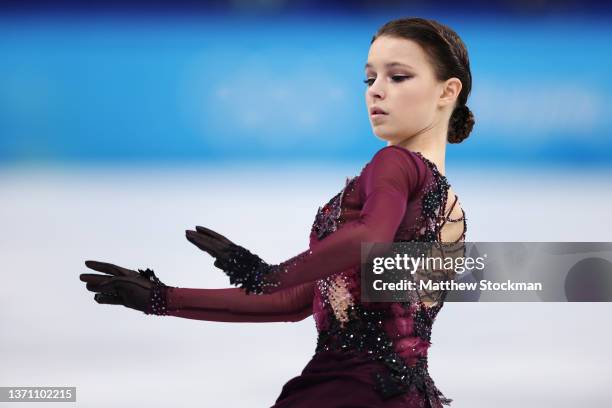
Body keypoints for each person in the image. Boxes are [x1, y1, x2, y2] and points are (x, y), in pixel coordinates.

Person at [79, 16, 474, 408]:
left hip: (348, 389)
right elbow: (295, 302)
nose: (376, 92)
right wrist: (162, 297)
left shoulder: (396, 167)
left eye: (398, 77)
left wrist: (268, 274)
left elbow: (368, 237)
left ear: (447, 91)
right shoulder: (446, 205)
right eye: (369, 79)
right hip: (406, 396)